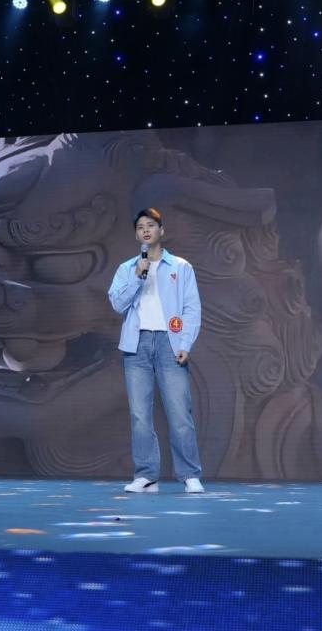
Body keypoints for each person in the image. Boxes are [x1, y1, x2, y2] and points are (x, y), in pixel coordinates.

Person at [108, 207, 205, 493]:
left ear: (161, 230)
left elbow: (192, 308)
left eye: (151, 225)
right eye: (140, 227)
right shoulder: (127, 269)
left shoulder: (181, 267)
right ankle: (146, 475)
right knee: (140, 415)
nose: (146, 231)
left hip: (169, 343)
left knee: (180, 412)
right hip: (136, 344)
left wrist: (185, 343)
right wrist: (137, 276)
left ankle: (190, 474)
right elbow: (117, 304)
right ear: (136, 235)